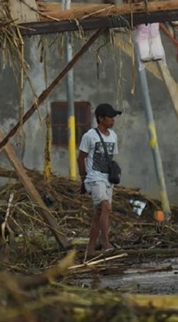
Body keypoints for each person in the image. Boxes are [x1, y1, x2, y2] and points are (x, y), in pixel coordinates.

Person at [77, 103, 121, 255]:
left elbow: (111, 158)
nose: (113, 120)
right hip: (94, 178)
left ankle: (90, 248)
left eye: (113, 117)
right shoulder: (89, 136)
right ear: (100, 118)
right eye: (110, 117)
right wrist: (83, 180)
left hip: (107, 179)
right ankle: (105, 243)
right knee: (106, 208)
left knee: (98, 213)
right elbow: (80, 158)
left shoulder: (114, 136)